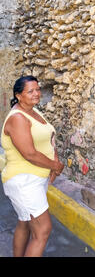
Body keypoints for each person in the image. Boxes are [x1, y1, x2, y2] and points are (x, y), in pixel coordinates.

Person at [0, 76, 64, 257]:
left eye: (38, 89)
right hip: (24, 181)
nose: (36, 93)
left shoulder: (33, 111)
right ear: (18, 95)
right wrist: (56, 165)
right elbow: (29, 153)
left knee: (25, 222)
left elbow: (49, 138)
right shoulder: (18, 118)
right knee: (43, 230)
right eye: (30, 91)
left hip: (35, 178)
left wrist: (53, 163)